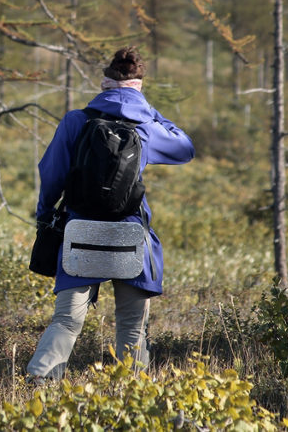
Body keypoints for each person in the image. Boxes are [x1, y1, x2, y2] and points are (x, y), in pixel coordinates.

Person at [26, 46, 194, 382]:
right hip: (131, 234)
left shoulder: (77, 120)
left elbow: (51, 173)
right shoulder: (146, 125)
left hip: (80, 231)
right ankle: (132, 393)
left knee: (66, 321)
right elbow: (184, 147)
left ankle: (41, 381)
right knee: (132, 325)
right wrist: (150, 112)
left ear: (104, 83)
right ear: (138, 86)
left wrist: (46, 214)